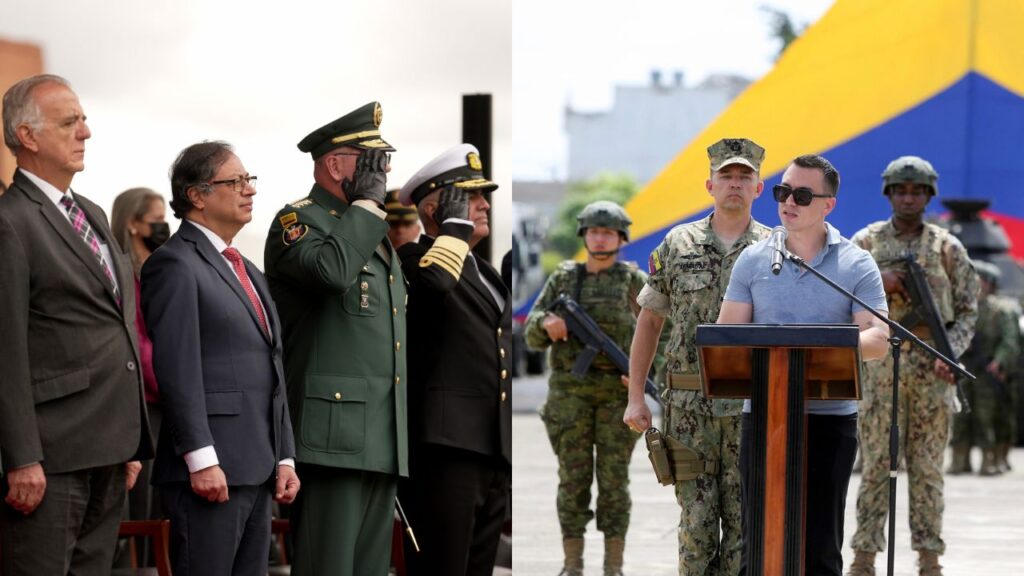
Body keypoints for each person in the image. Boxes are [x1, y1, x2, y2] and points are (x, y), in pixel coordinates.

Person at [0, 74, 153, 575]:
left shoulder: (88, 211)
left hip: (110, 446)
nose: (85, 132)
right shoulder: (11, 221)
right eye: (70, 122)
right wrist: (22, 458)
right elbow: (6, 348)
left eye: (84, 120)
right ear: (28, 136)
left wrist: (131, 440)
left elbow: (119, 323)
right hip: (51, 456)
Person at [716, 154, 890, 576]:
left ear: (828, 205)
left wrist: (813, 352)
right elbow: (726, 337)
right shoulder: (754, 260)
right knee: (759, 541)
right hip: (764, 416)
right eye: (783, 191)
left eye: (802, 194)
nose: (788, 202)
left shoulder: (855, 263)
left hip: (829, 421)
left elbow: (878, 339)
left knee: (820, 548)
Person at [141, 141, 299, 575]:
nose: (249, 190)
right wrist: (201, 457)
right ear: (197, 195)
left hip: (258, 466)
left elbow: (272, 368)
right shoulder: (174, 264)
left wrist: (284, 455)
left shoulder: (246, 268)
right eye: (236, 181)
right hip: (210, 473)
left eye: (250, 180)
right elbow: (177, 369)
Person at [263, 102, 407, 576]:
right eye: (370, 162)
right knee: (329, 567)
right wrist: (366, 206)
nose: (382, 172)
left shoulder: (369, 231)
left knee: (369, 569)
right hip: (331, 436)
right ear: (335, 164)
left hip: (380, 435)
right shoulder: (298, 224)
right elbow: (331, 273)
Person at [623, 137, 771, 575]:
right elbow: (649, 323)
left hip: (750, 406)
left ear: (759, 188)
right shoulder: (678, 242)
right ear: (710, 185)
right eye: (727, 176)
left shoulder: (774, 250)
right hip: (689, 410)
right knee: (696, 526)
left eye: (745, 177)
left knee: (746, 527)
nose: (735, 184)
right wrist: (636, 397)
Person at [847, 156, 978, 576]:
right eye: (900, 190)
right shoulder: (864, 244)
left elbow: (967, 310)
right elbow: (841, 300)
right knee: (874, 468)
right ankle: (864, 558)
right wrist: (877, 281)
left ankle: (929, 559)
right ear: (889, 194)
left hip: (932, 370)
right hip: (880, 366)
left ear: (928, 195)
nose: (908, 197)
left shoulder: (947, 247)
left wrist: (950, 355)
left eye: (916, 191)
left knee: (926, 470)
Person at [396, 143, 512, 576]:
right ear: (435, 208)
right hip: (445, 448)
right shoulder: (412, 259)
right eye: (470, 198)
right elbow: (433, 289)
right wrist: (454, 230)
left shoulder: (486, 272)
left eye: (483, 198)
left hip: (490, 449)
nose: (483, 205)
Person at [526, 200, 646, 576]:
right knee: (572, 481)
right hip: (570, 397)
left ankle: (613, 567)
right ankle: (572, 565)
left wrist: (642, 377)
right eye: (593, 231)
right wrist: (546, 322)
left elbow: (662, 332)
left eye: (607, 232)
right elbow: (530, 332)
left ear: (621, 237)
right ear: (584, 235)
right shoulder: (564, 278)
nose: (599, 238)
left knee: (614, 483)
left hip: (617, 398)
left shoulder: (633, 283)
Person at [111, 187, 170, 528]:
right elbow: (139, 339)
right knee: (142, 501)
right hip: (144, 401)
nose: (163, 227)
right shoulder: (125, 273)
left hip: (165, 398)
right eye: (156, 220)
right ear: (133, 223)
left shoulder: (158, 266)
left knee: (160, 505)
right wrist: (167, 381)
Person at [948, 260, 1018, 476]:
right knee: (960, 415)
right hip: (963, 368)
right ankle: (960, 460)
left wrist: (999, 361)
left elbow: (1009, 340)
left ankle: (989, 460)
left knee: (986, 416)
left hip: (987, 371)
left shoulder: (1001, 310)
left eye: (982, 281)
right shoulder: (961, 307)